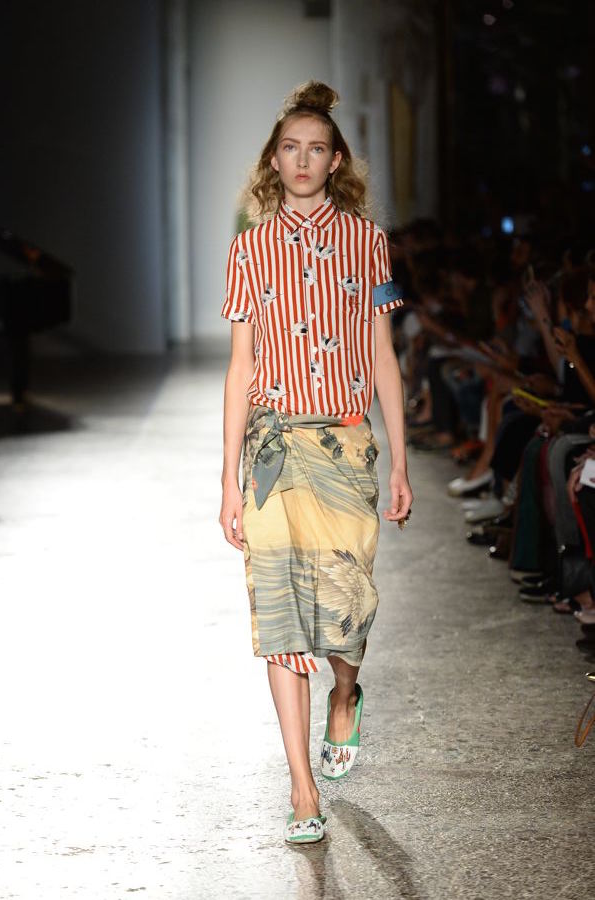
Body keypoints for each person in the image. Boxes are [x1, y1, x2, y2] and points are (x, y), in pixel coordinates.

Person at [218, 81, 413, 845]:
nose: (302, 160)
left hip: (344, 444)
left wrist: (398, 463)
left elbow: (382, 357)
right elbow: (240, 366)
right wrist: (225, 479)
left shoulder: (368, 242)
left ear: (335, 162)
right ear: (274, 159)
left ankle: (345, 692)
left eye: (316, 149)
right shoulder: (249, 247)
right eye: (290, 148)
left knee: (345, 610)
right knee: (280, 617)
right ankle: (301, 789)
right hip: (271, 449)